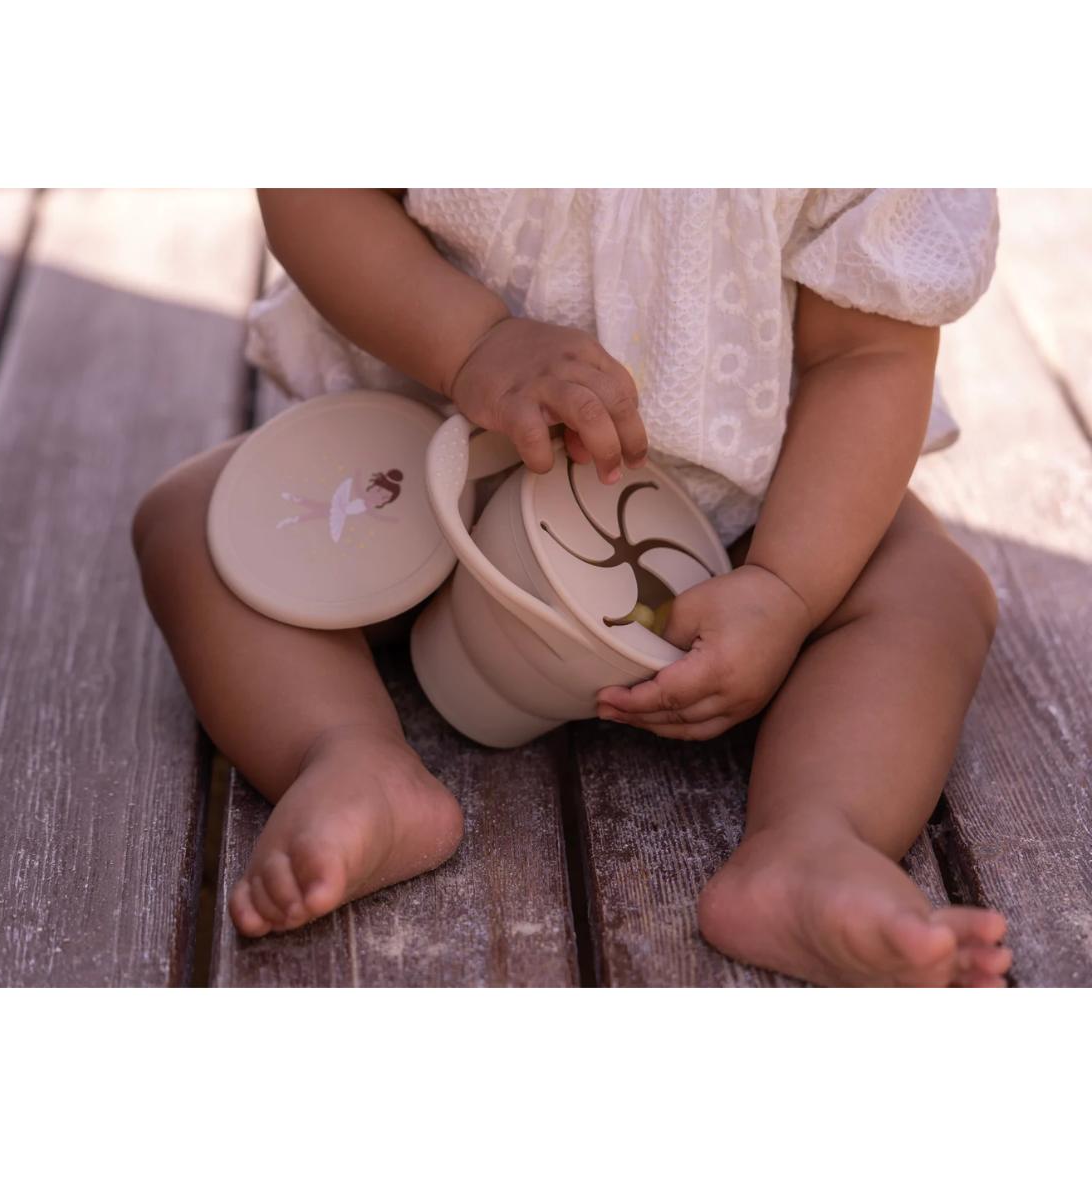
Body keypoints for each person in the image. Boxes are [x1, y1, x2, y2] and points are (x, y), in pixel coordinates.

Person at [131, 189, 1009, 987]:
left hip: (744, 527)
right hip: (432, 474)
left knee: (929, 592)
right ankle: (349, 755)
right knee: (200, 523)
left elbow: (868, 348)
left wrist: (788, 584)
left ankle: (814, 839)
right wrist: (473, 342)